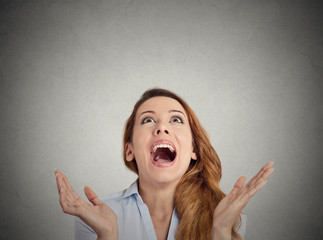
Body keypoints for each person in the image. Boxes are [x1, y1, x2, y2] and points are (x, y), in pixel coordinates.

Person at [55, 88, 274, 240]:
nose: (162, 128)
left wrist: (222, 231)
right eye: (148, 120)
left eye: (176, 119)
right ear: (129, 150)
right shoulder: (94, 217)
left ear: (193, 150)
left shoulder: (228, 219)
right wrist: (108, 235)